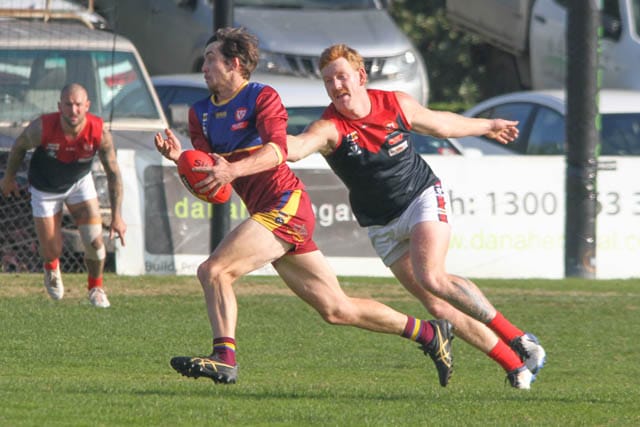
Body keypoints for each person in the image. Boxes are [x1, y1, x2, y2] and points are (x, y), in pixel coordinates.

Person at [154, 27, 454, 386]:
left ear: (234, 64)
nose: (203, 67)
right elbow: (212, 177)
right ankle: (430, 334)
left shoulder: (261, 96)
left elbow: (278, 150)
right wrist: (182, 159)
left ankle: (225, 358)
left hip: (286, 204)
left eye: (210, 59)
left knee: (214, 271)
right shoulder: (200, 113)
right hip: (265, 212)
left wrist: (232, 169)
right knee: (336, 308)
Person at [286, 44, 546, 390]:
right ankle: (515, 366)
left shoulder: (395, 104)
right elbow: (297, 148)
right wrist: (262, 140)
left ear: (360, 77)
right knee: (436, 304)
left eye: (341, 76)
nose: (336, 86)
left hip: (420, 197)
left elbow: (441, 124)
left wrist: (487, 125)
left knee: (432, 276)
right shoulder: (329, 127)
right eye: (328, 81)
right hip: (380, 224)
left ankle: (518, 339)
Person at [0, 83, 126, 308]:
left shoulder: (99, 132)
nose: (73, 110)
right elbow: (19, 146)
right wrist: (9, 179)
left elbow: (113, 173)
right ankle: (51, 266)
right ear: (60, 106)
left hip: (79, 184)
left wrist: (117, 216)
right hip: (44, 189)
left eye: (78, 104)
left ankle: (96, 288)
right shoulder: (43, 127)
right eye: (68, 104)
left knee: (95, 241)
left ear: (87, 106)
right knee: (52, 250)